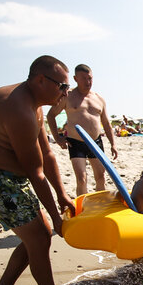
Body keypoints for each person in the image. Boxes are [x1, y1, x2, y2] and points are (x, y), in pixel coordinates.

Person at [0, 55, 76, 285]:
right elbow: (35, 173)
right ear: (40, 80)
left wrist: (62, 195)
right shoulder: (19, 108)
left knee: (38, 234)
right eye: (62, 86)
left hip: (9, 178)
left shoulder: (34, 104)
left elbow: (46, 154)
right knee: (39, 236)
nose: (65, 92)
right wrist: (55, 216)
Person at [46, 64, 117, 195]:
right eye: (83, 78)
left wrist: (113, 144)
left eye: (90, 78)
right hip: (76, 142)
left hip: (95, 142)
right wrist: (57, 137)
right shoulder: (67, 96)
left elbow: (106, 123)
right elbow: (51, 115)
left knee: (101, 178)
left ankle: (100, 207)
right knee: (82, 179)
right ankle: (83, 210)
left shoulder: (99, 99)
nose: (88, 82)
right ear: (75, 79)